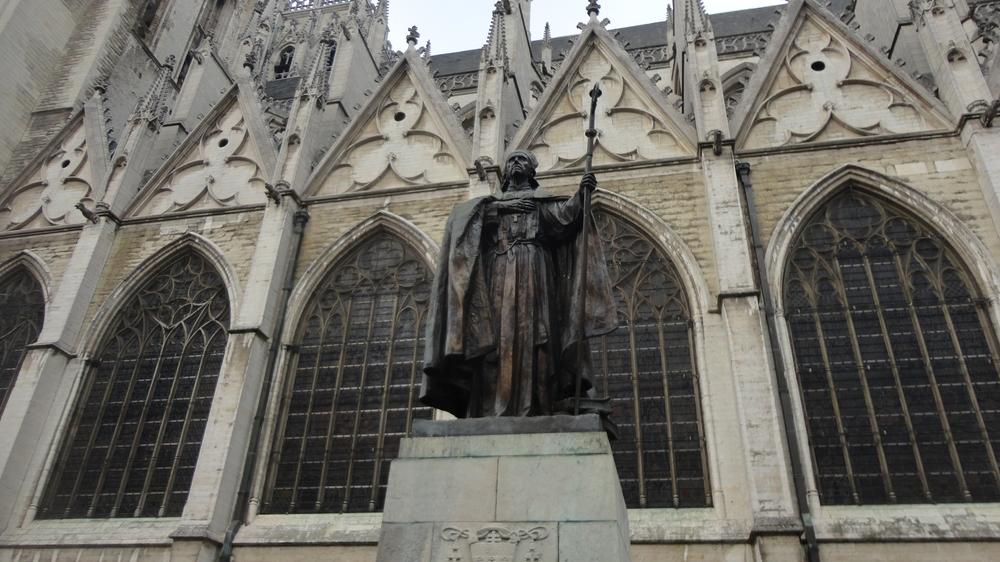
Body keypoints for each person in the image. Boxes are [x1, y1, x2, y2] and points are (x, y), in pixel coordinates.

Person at [421, 150, 617, 418]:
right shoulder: (489, 205)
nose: (515, 163)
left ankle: (537, 406)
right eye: (512, 160)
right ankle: (489, 408)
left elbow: (564, 217)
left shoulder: (540, 202)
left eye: (522, 160)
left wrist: (582, 194)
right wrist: (504, 207)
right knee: (495, 339)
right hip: (498, 273)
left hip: (534, 271)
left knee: (536, 336)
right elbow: (462, 221)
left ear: (532, 170)